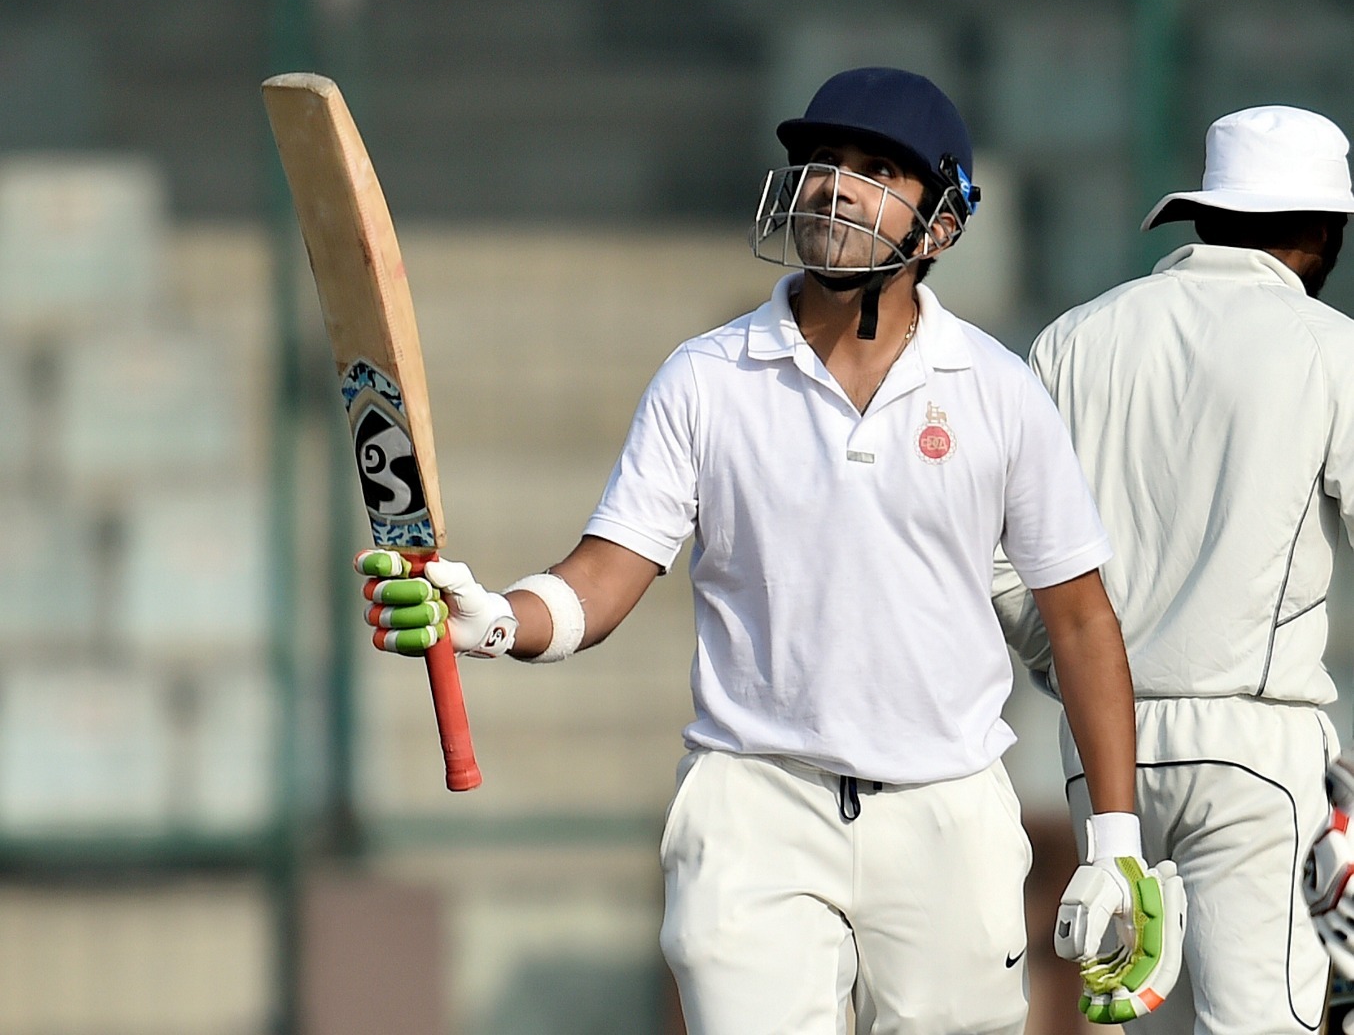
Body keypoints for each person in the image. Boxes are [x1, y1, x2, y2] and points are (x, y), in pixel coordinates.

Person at [359, 66, 1180, 1033]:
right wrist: (496, 618)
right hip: (754, 804)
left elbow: (1080, 620)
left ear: (945, 223)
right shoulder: (706, 377)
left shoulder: (999, 391)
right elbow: (606, 574)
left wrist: (1115, 840)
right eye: (825, 162)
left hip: (948, 811)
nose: (837, 185)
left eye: (879, 169)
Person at [993, 103, 1354, 1035]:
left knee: (1125, 1027)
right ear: (1321, 231)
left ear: (1202, 213)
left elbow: (997, 558)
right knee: (1263, 1025)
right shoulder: (1330, 348)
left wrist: (1072, 666)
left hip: (1100, 750)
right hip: (1257, 745)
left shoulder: (1073, 340)